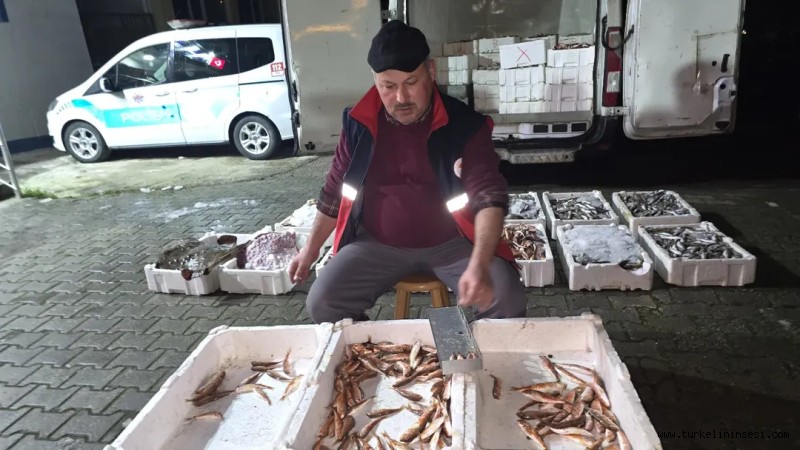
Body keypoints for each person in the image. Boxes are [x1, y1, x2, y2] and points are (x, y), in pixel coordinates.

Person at [288, 20, 527, 324]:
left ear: (431, 71)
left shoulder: (465, 125)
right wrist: (309, 252)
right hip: (376, 244)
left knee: (506, 298)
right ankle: (372, 349)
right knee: (323, 302)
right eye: (388, 86)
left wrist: (479, 264)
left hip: (453, 244)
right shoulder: (359, 124)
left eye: (411, 82)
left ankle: (476, 353)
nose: (401, 98)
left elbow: (489, 195)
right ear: (375, 80)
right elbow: (334, 192)